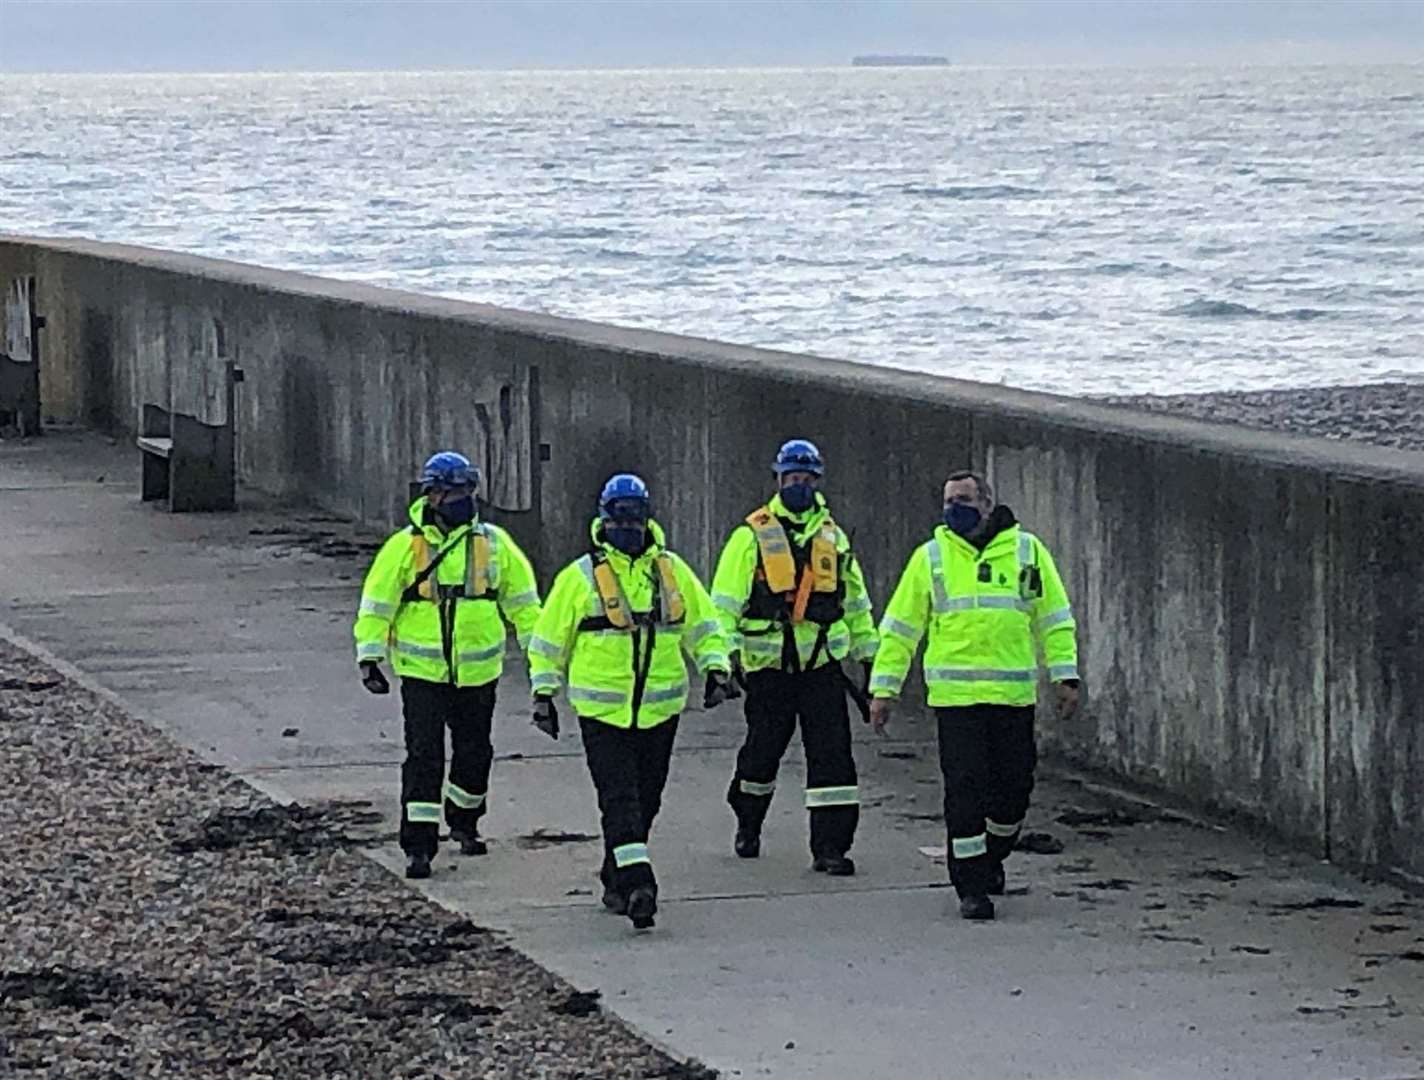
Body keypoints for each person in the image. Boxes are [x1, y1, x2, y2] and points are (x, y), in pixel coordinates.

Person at [527, 473, 736, 930]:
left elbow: (704, 626)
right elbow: (548, 641)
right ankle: (641, 885)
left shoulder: (671, 571)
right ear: (604, 519)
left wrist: (717, 668)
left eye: (635, 516)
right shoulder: (579, 578)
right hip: (602, 711)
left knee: (647, 800)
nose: (628, 525)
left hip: (661, 708)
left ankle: (613, 874)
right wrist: (544, 693)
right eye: (619, 516)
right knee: (618, 799)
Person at [869, 470, 1079, 920]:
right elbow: (901, 630)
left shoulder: (1027, 551)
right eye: (947, 501)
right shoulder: (931, 558)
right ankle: (970, 884)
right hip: (955, 702)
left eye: (962, 499)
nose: (952, 509)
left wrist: (1066, 676)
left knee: (1013, 791)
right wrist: (884, 690)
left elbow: (1053, 617)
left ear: (986, 504)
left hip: (1012, 698)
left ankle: (993, 853)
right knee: (964, 793)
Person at [354, 451, 541, 880]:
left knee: (476, 752)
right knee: (424, 756)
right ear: (433, 495)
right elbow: (377, 605)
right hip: (422, 673)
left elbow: (525, 605)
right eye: (455, 492)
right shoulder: (405, 547)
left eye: (468, 491)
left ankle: (465, 820)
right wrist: (369, 656)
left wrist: (540, 660)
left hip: (479, 670)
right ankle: (419, 845)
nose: (464, 500)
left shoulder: (494, 544)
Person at [711, 439, 878, 876]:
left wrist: (871, 657)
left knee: (833, 757)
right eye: (791, 478)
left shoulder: (833, 539)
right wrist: (722, 658)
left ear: (816, 481)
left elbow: (855, 603)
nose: (798, 485)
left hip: (822, 666)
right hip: (768, 670)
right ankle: (747, 815)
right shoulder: (751, 537)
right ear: (778, 479)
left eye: (805, 478)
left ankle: (831, 847)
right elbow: (724, 603)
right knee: (761, 756)